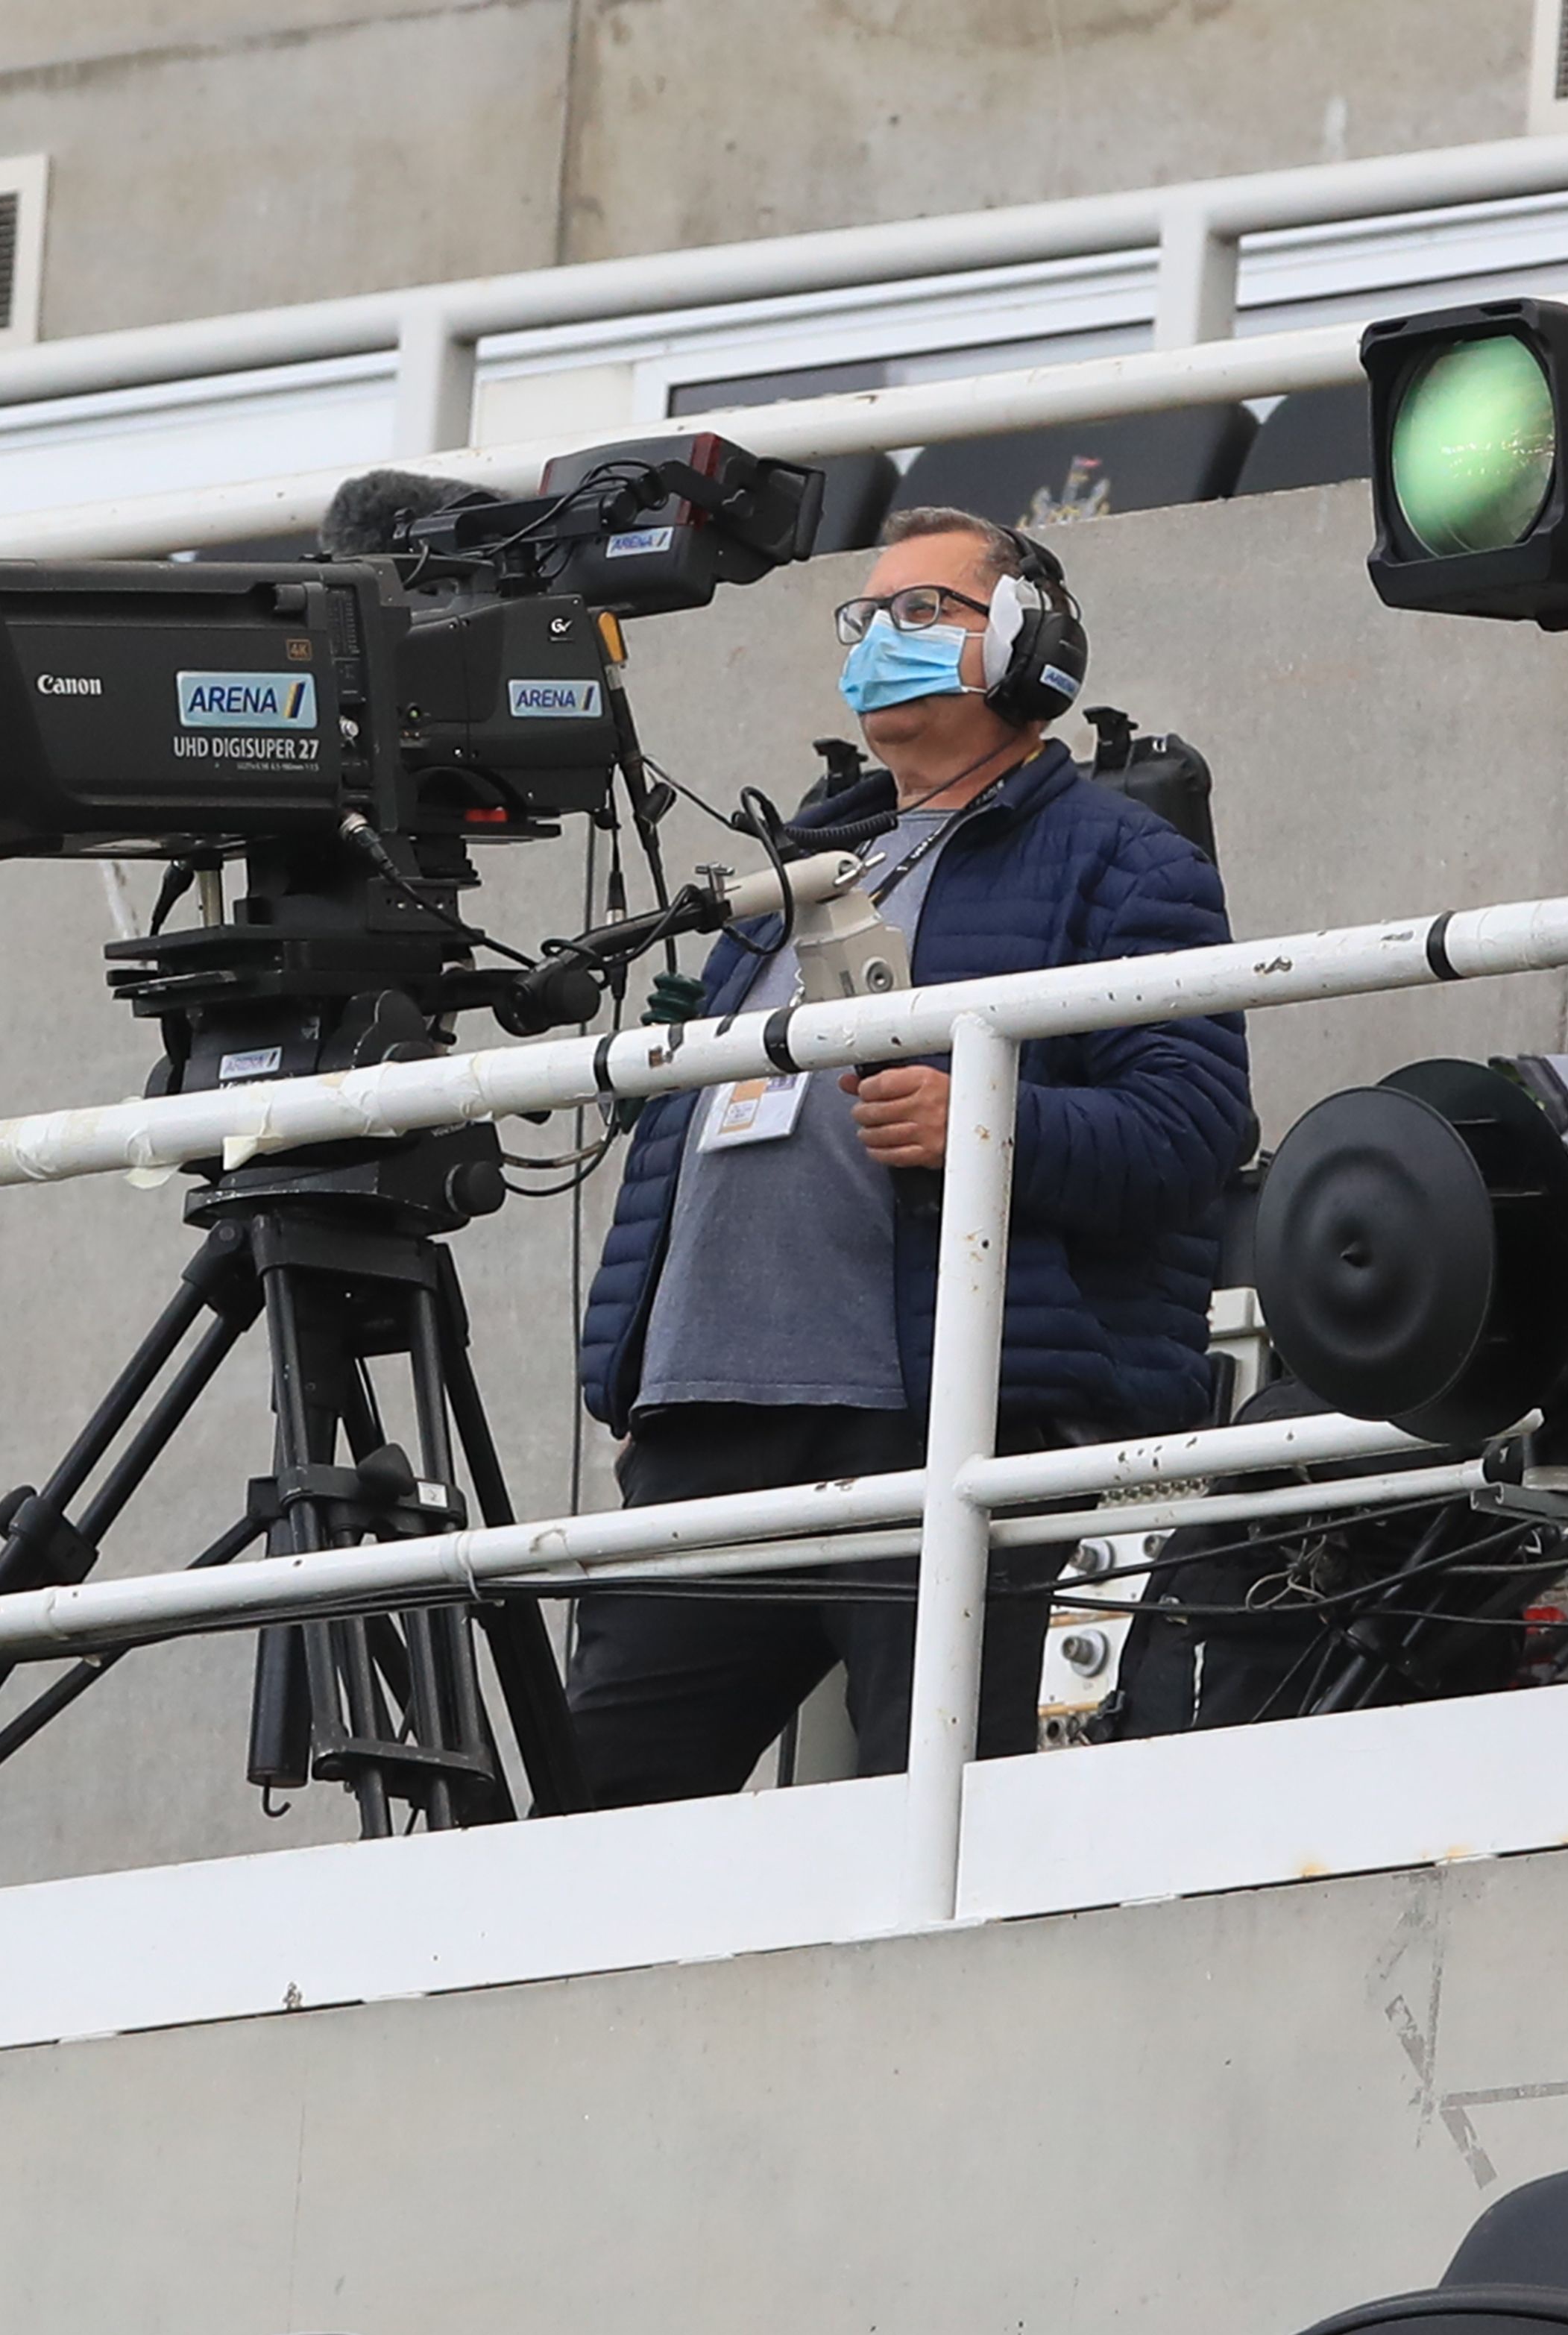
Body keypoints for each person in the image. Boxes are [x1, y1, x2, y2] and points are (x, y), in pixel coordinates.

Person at [563, 505, 1251, 1804]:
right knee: (594, 1825)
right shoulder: (791, 874)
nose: (882, 636)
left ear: (1026, 642)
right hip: (704, 1427)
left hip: (929, 1427)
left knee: (932, 1819)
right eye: (867, 616)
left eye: (922, 610)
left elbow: (1191, 1127)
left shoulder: (1120, 860)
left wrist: (982, 1124)